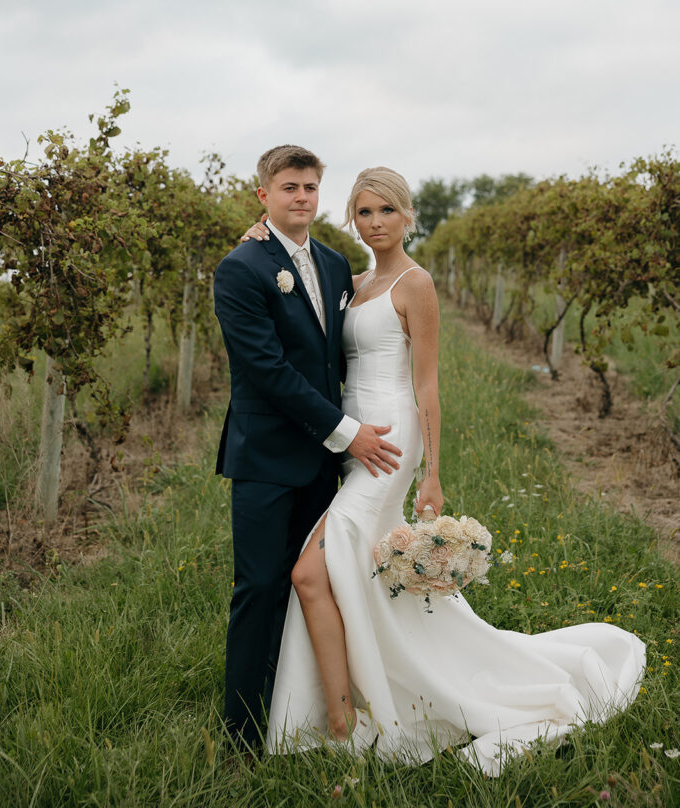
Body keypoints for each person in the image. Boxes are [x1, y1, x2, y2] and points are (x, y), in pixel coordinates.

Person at [246, 166, 646, 776]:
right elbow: (300, 286)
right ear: (352, 219)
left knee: (309, 572)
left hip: (389, 445)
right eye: (364, 212)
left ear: (409, 216)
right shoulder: (351, 282)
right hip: (352, 442)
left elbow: (426, 382)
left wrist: (431, 472)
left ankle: (341, 717)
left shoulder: (417, 282)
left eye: (386, 211)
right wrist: (260, 233)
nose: (374, 223)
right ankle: (368, 695)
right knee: (353, 572)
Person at [213, 145, 403, 750]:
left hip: (325, 462)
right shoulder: (240, 269)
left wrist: (343, 442)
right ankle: (242, 734)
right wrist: (349, 434)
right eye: (289, 187)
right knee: (260, 589)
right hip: (267, 458)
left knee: (320, 586)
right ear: (263, 195)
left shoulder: (332, 263)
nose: (302, 197)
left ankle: (302, 714)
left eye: (311, 187)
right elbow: (267, 369)